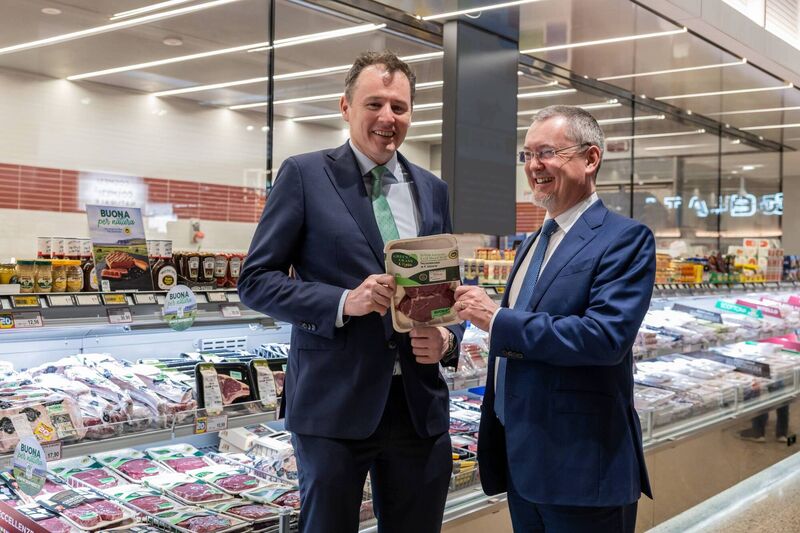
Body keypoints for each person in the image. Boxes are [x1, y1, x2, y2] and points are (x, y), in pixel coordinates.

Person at [238, 51, 463, 533]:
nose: (387, 118)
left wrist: (447, 341)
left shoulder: (432, 188)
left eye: (399, 107)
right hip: (333, 404)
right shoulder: (304, 175)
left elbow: (448, 288)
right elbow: (255, 281)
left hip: (418, 407)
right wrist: (344, 301)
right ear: (345, 107)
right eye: (374, 104)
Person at [454, 105, 655, 533]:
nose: (533, 166)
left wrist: (498, 319)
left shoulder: (626, 239)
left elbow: (604, 338)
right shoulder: (530, 243)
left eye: (547, 152)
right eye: (526, 155)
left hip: (583, 468)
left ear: (591, 158)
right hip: (522, 463)